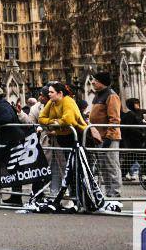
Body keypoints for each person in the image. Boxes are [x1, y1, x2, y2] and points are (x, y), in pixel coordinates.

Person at [38, 82, 85, 203]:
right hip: (62, 138)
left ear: (60, 93)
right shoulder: (52, 102)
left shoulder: (67, 101)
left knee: (75, 168)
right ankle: (74, 195)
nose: (49, 94)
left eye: (51, 92)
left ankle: (79, 196)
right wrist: (55, 122)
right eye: (48, 92)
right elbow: (41, 118)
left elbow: (69, 120)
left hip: (76, 138)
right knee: (68, 168)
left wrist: (54, 123)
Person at [86, 71, 122, 200]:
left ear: (103, 82)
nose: (93, 82)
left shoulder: (111, 96)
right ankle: (109, 192)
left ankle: (115, 193)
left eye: (96, 80)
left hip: (108, 137)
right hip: (99, 137)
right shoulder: (98, 96)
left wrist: (109, 136)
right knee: (103, 166)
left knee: (111, 165)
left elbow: (114, 119)